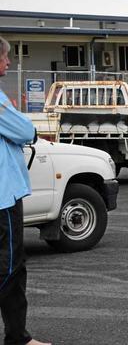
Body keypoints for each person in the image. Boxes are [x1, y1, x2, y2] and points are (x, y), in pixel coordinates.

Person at [0, 36, 50, 345]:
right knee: (9, 267)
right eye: (4, 57)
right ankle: (17, 338)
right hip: (3, 197)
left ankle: (18, 335)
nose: (8, 62)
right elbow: (26, 131)